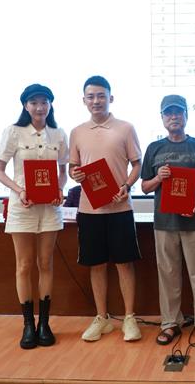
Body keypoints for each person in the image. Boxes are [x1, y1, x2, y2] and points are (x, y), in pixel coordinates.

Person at [141, 94, 195, 347]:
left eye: (178, 112)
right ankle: (170, 323)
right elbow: (144, 187)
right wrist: (158, 178)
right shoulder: (154, 148)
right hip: (164, 223)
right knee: (168, 275)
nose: (173, 117)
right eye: (168, 113)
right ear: (162, 118)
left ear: (186, 115)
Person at [0, 83, 68, 349]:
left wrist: (60, 189)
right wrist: (20, 190)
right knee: (24, 265)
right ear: (25, 105)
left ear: (50, 105)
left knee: (46, 263)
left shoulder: (59, 134)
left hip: (49, 208)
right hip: (22, 206)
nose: (39, 107)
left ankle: (44, 324)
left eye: (44, 102)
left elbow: (63, 172)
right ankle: (28, 325)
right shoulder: (13, 132)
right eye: (34, 102)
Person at [68, 75, 142, 342]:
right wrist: (75, 174)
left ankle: (130, 317)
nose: (96, 101)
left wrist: (127, 185)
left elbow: (137, 164)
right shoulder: (77, 132)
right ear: (84, 100)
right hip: (89, 210)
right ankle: (102, 317)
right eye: (91, 96)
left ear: (111, 98)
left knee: (124, 263)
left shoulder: (125, 128)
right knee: (96, 264)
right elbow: (73, 167)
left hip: (120, 208)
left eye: (101, 95)